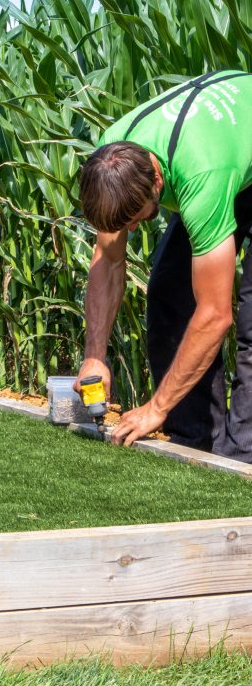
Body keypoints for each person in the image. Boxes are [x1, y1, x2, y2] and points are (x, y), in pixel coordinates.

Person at [75, 70, 252, 461]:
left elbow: (215, 315)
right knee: (170, 293)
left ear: (156, 180)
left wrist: (156, 406)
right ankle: (195, 438)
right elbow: (108, 259)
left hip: (220, 158)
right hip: (221, 156)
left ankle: (244, 455)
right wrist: (95, 354)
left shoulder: (203, 177)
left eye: (137, 219)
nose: (132, 229)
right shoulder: (113, 158)